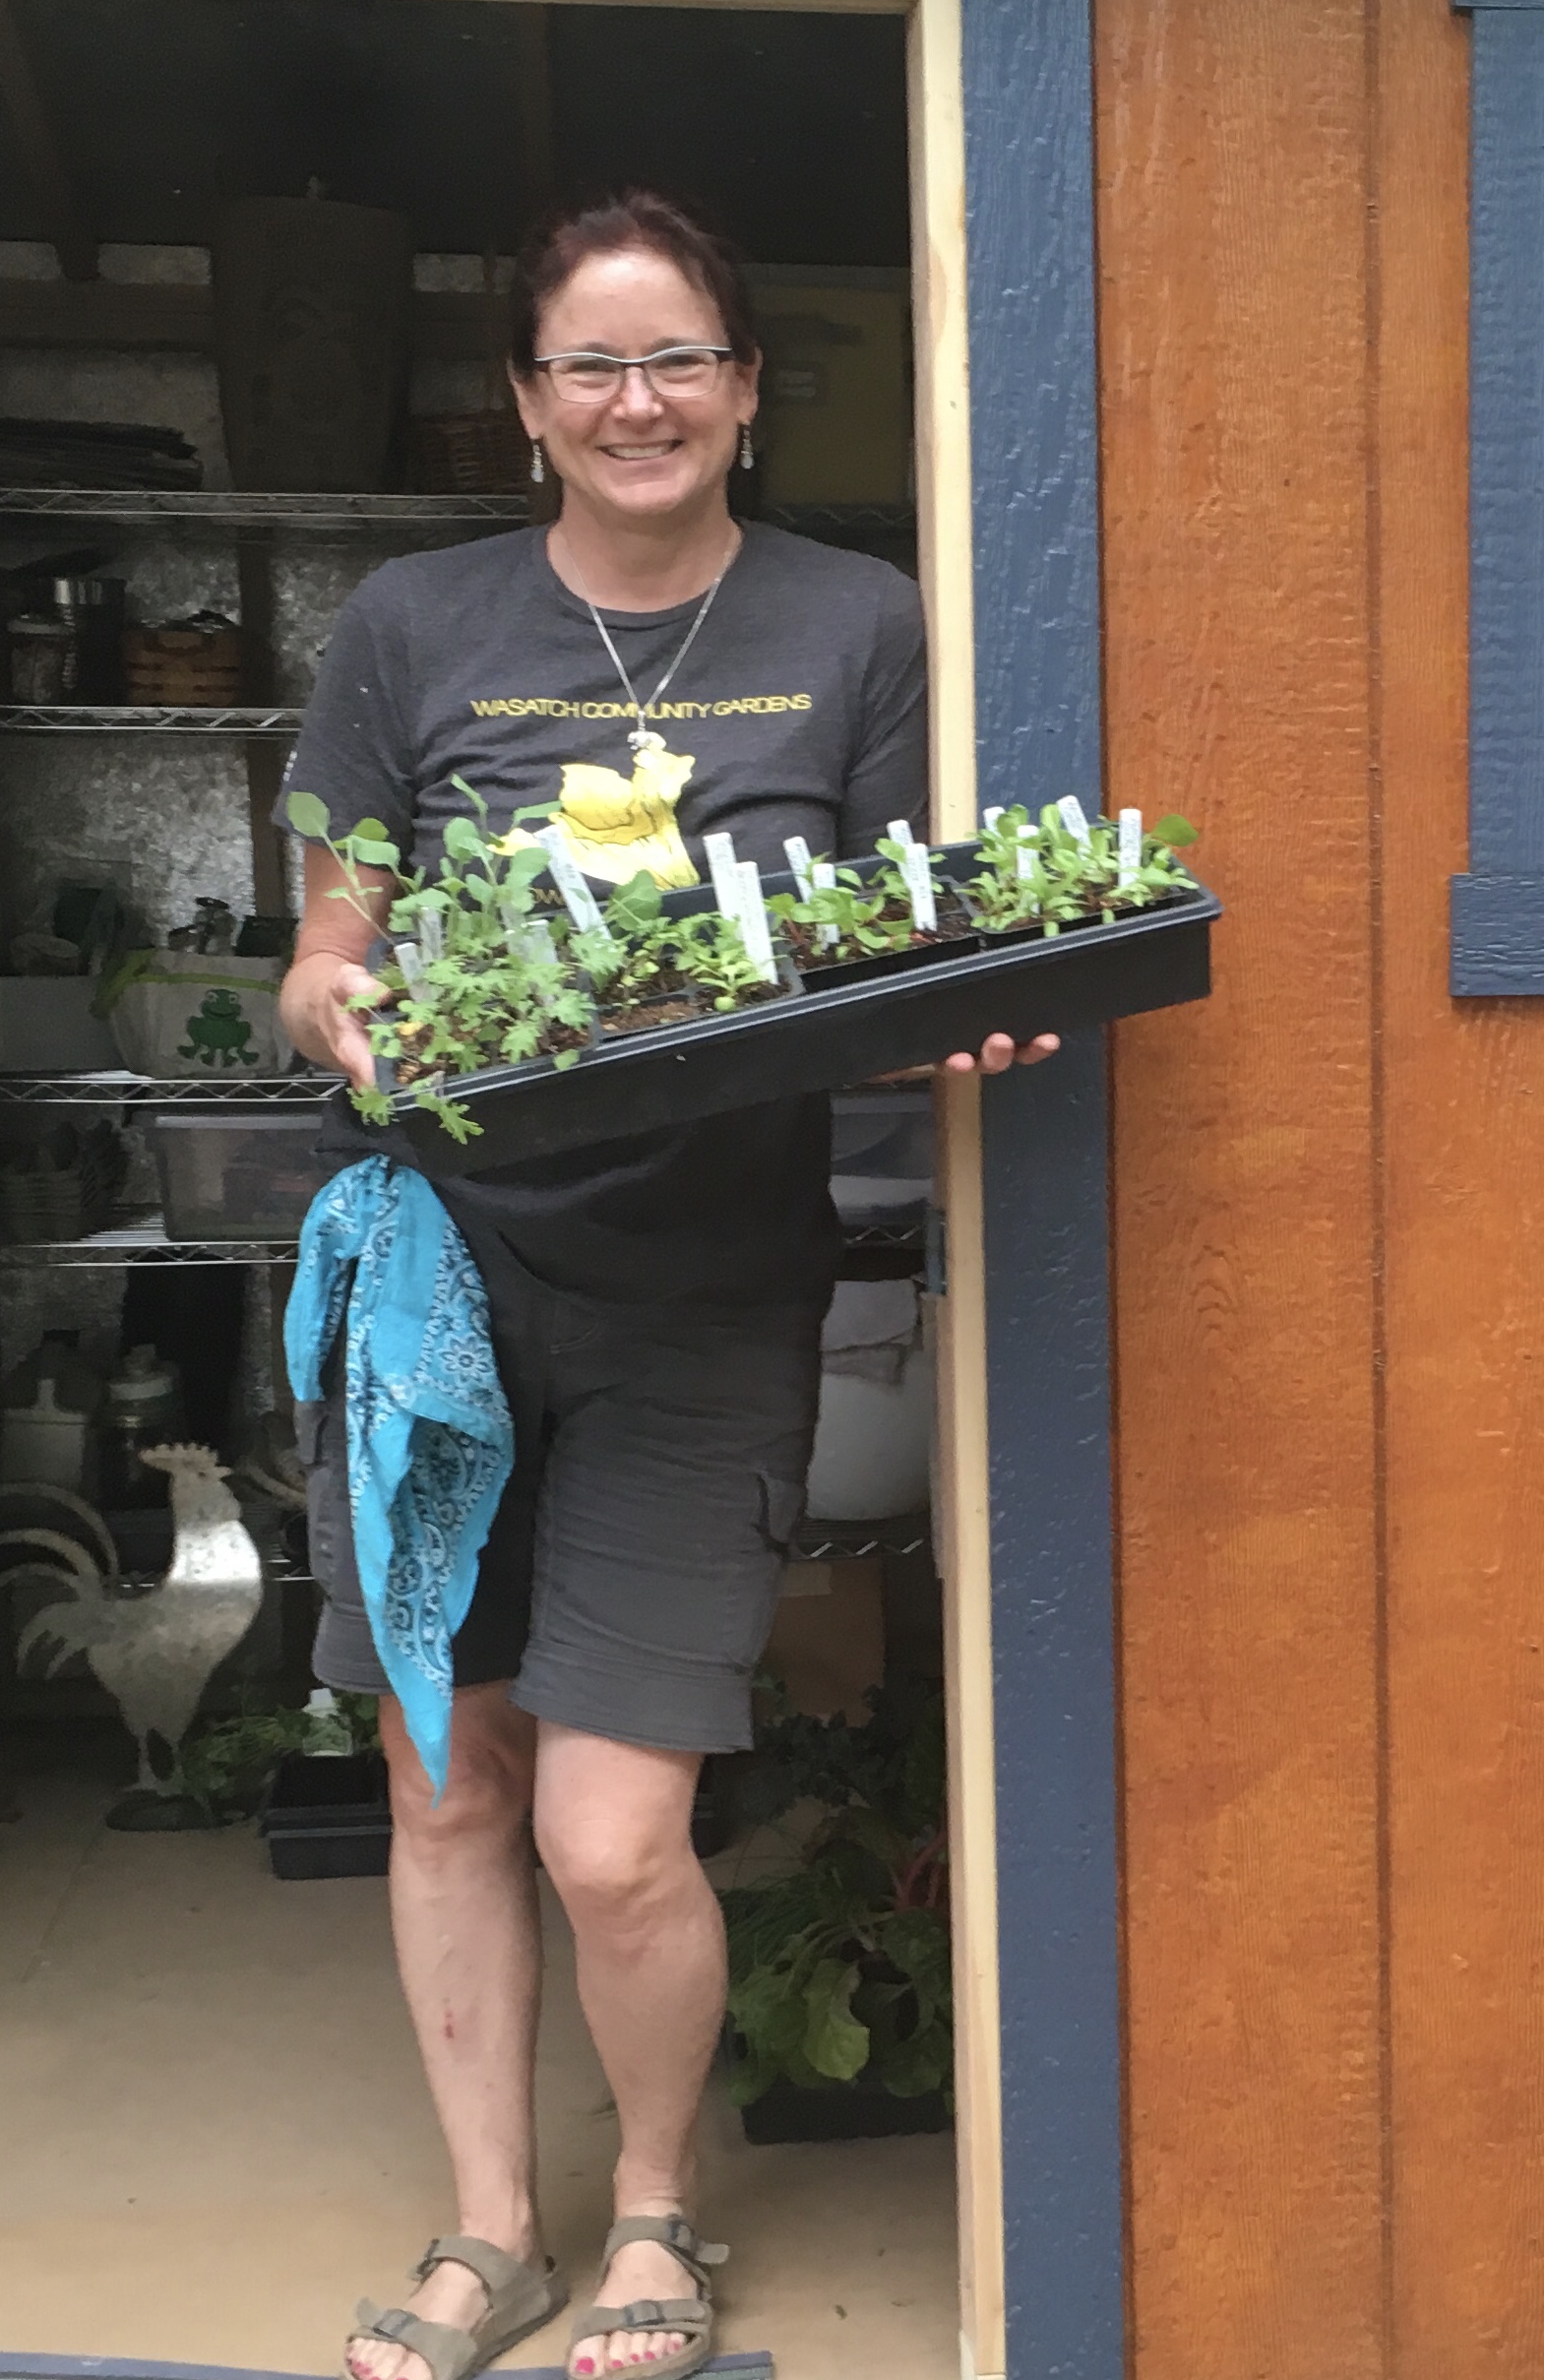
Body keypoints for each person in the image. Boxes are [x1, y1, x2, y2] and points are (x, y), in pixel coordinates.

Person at [278, 187, 1052, 2380]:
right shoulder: (413, 627)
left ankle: (651, 2216)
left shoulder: (857, 621)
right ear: (527, 402)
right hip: (440, 1287)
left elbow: (892, 952)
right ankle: (487, 2230)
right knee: (449, 1782)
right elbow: (322, 947)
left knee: (616, 1834)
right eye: (592, 365)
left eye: (681, 359)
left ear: (747, 386)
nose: (641, 402)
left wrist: (956, 1015)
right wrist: (336, 1006)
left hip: (704, 1297)